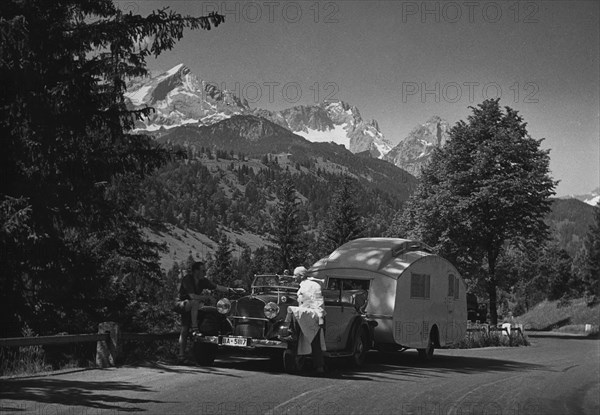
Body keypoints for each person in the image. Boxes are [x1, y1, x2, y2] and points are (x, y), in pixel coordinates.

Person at [175, 261, 231, 363]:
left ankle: (183, 355)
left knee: (186, 328)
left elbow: (217, 287)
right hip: (182, 304)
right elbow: (192, 296)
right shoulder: (188, 279)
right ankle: (195, 330)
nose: (204, 272)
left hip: (193, 307)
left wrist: (231, 290)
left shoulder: (202, 281)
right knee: (185, 327)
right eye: (203, 270)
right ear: (196, 271)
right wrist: (208, 297)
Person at [291, 265, 326, 374]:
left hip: (312, 314)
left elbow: (318, 301)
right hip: (304, 314)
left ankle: (319, 367)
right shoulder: (303, 285)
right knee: (305, 339)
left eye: (295, 275)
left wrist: (320, 317)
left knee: (315, 340)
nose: (293, 278)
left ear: (301, 276)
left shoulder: (313, 285)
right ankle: (301, 362)